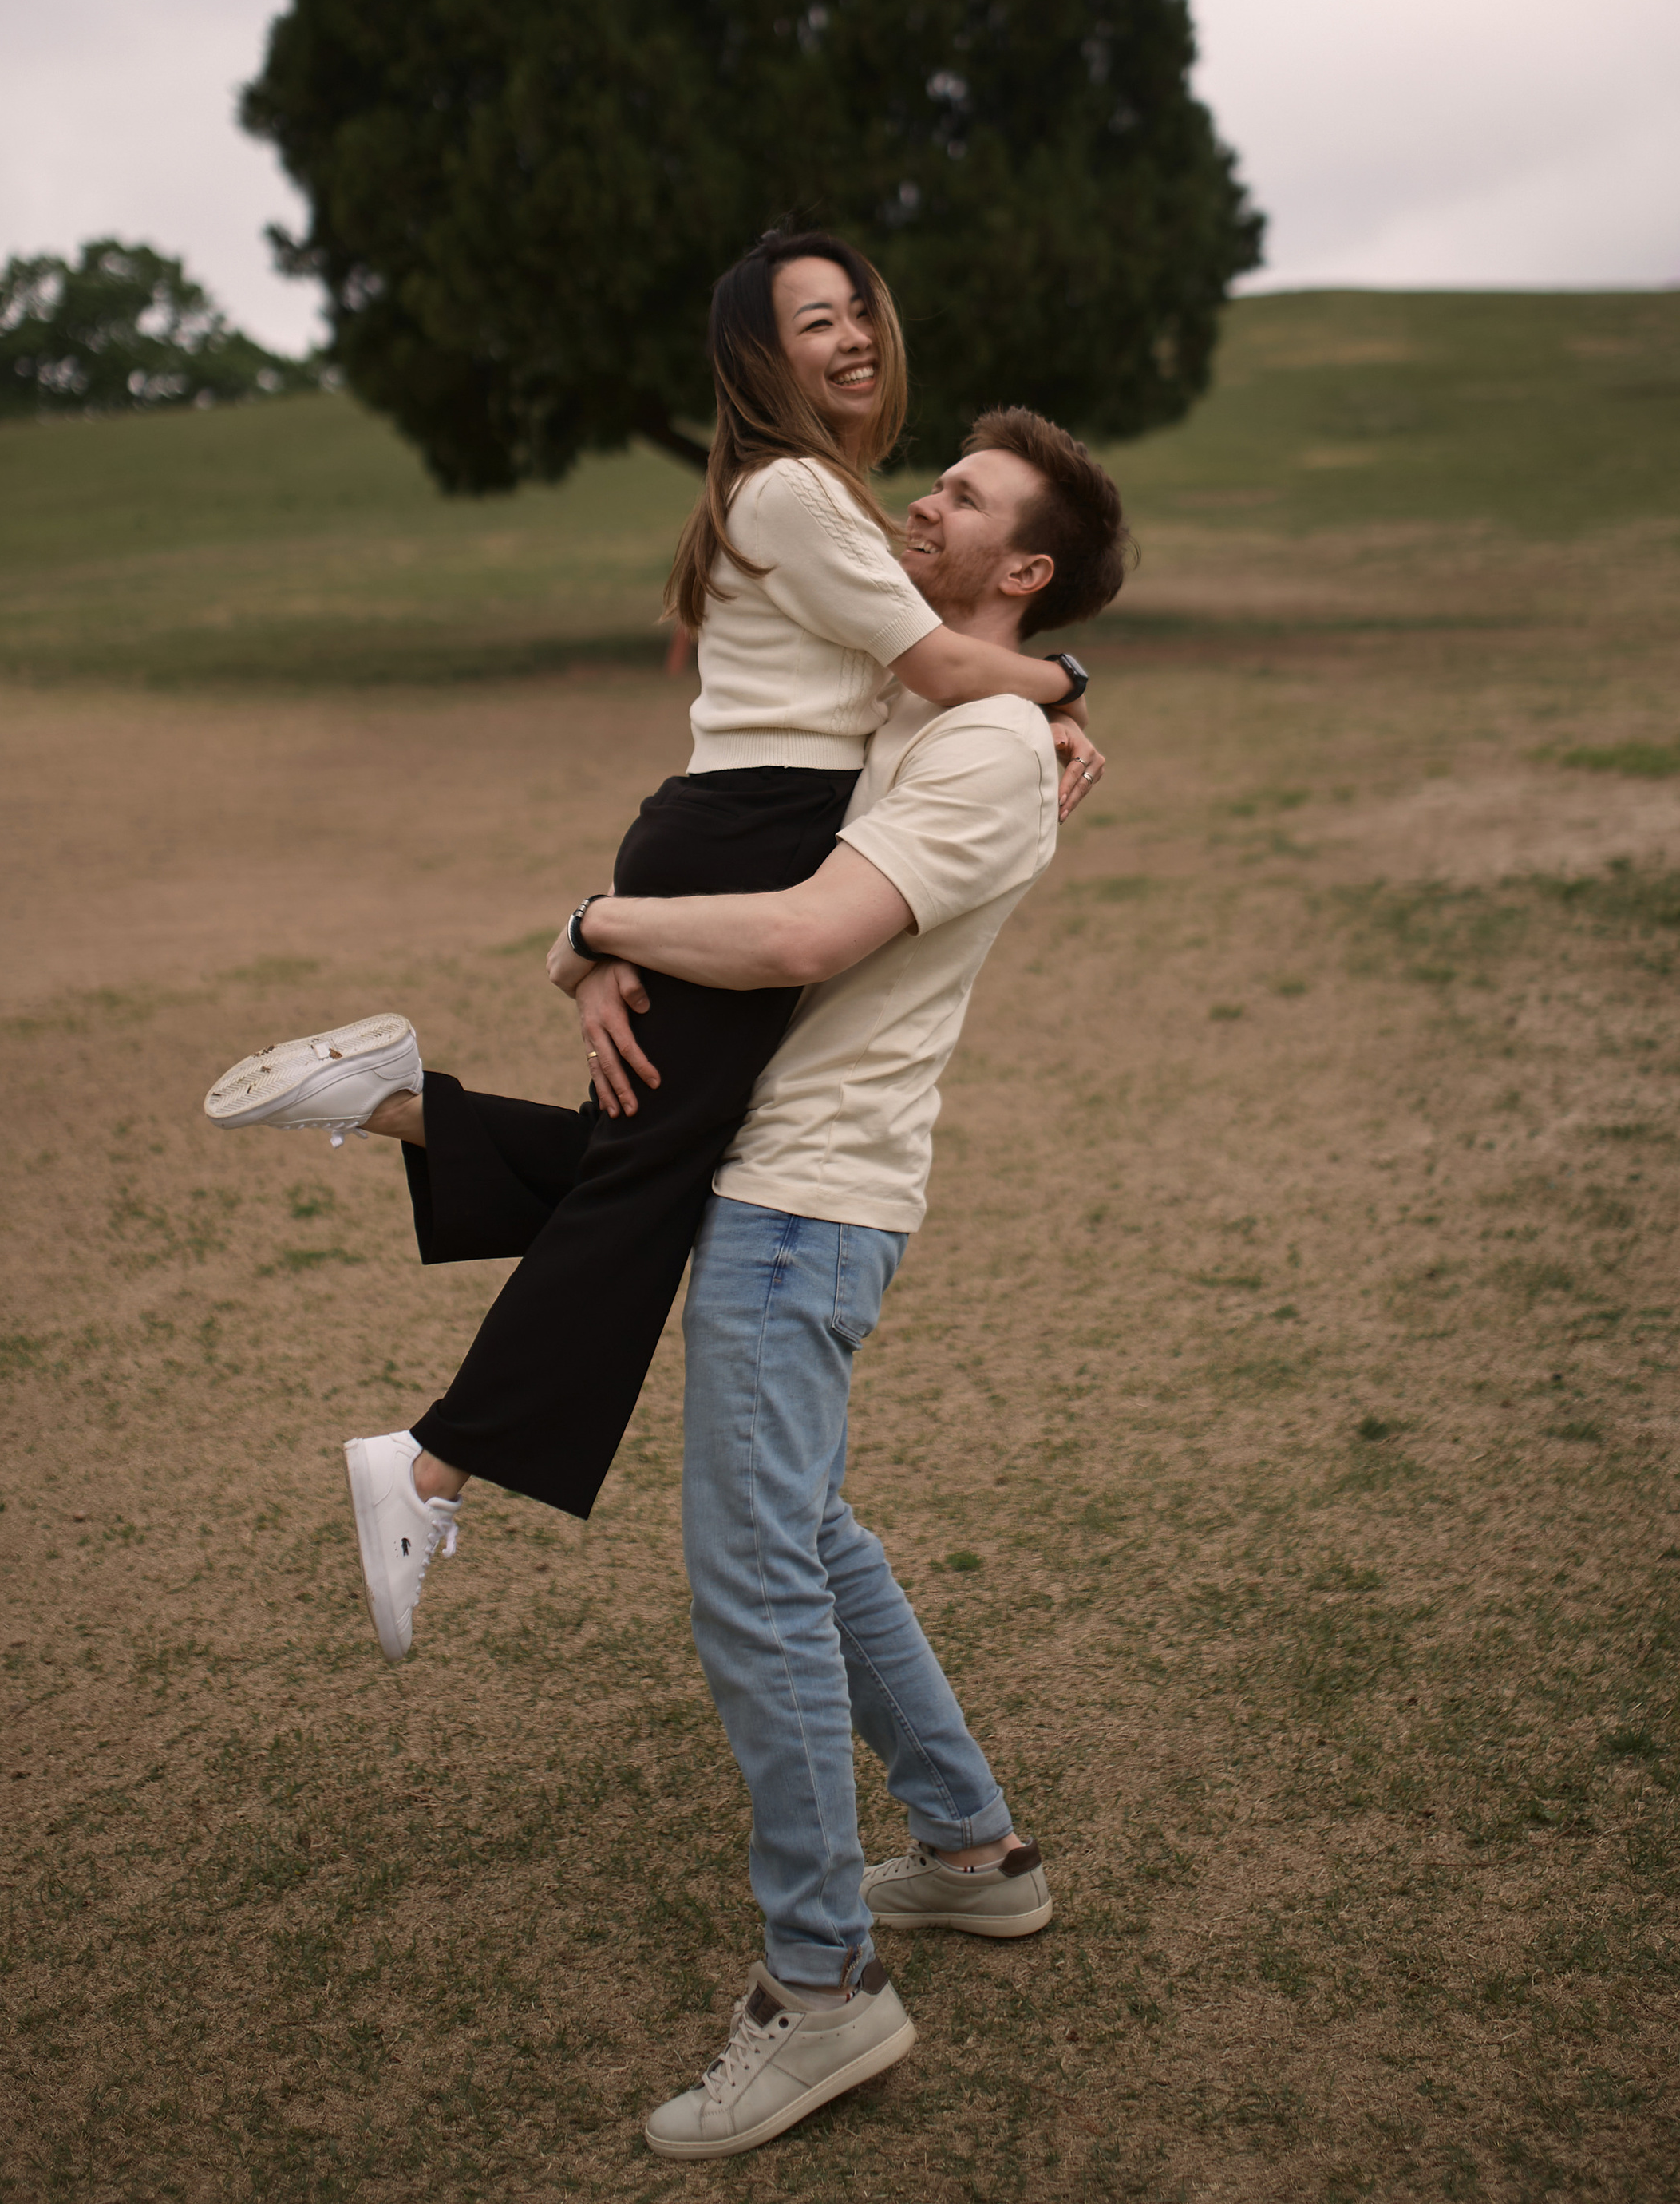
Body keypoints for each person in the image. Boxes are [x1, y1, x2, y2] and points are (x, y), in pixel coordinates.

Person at [219, 409, 1132, 2158]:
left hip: (805, 1204)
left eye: (957, 499)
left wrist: (599, 921)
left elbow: (795, 938)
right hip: (766, 1166)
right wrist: (1056, 687)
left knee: (754, 1582)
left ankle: (823, 1991)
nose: (915, 503)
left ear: (1018, 570)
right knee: (809, 1535)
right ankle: (971, 1855)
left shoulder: (980, 757)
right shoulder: (943, 705)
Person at [204, 234, 1097, 1569]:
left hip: (731, 823)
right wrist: (1068, 684)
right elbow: (934, 662)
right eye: (815, 322)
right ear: (761, 355)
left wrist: (1040, 703)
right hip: (753, 831)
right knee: (651, 1181)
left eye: (861, 310)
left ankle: (392, 1107)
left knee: (654, 1158)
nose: (852, 336)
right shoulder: (796, 488)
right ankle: (431, 1461)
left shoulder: (806, 492)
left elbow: (924, 675)